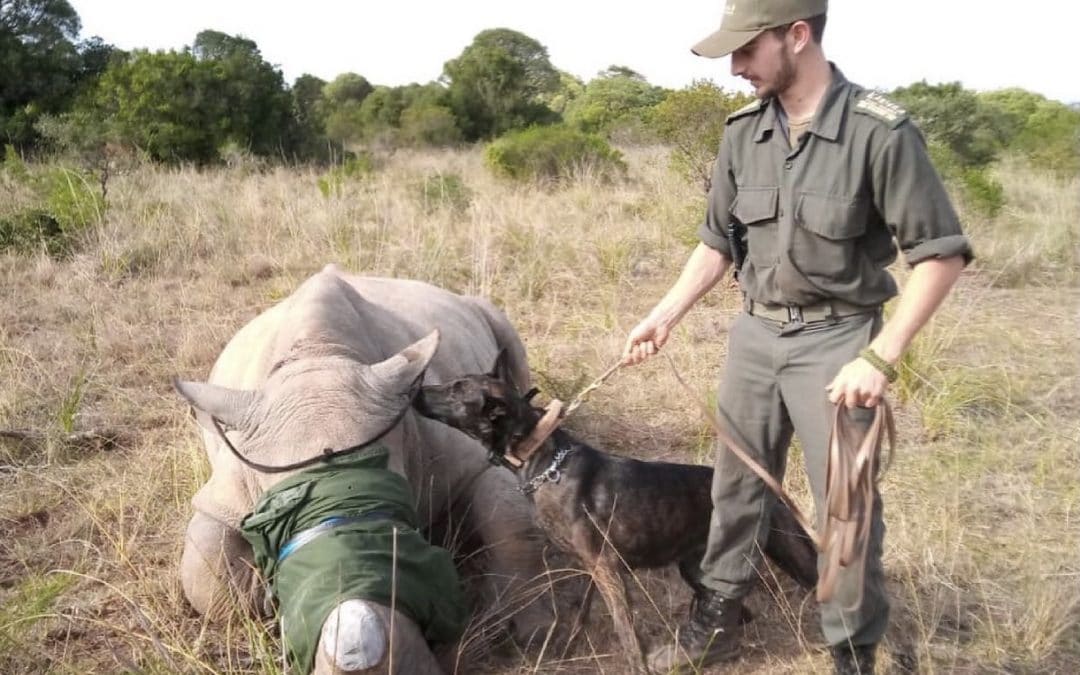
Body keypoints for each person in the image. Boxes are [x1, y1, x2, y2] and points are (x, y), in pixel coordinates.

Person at [621, 1, 973, 673]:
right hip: (754, 336)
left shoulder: (881, 133)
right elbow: (716, 244)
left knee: (846, 502)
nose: (735, 67)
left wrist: (881, 355)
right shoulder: (742, 134)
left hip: (839, 343)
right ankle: (720, 617)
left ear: (799, 35)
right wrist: (663, 314)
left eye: (747, 50)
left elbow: (940, 255)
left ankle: (850, 645)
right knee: (733, 488)